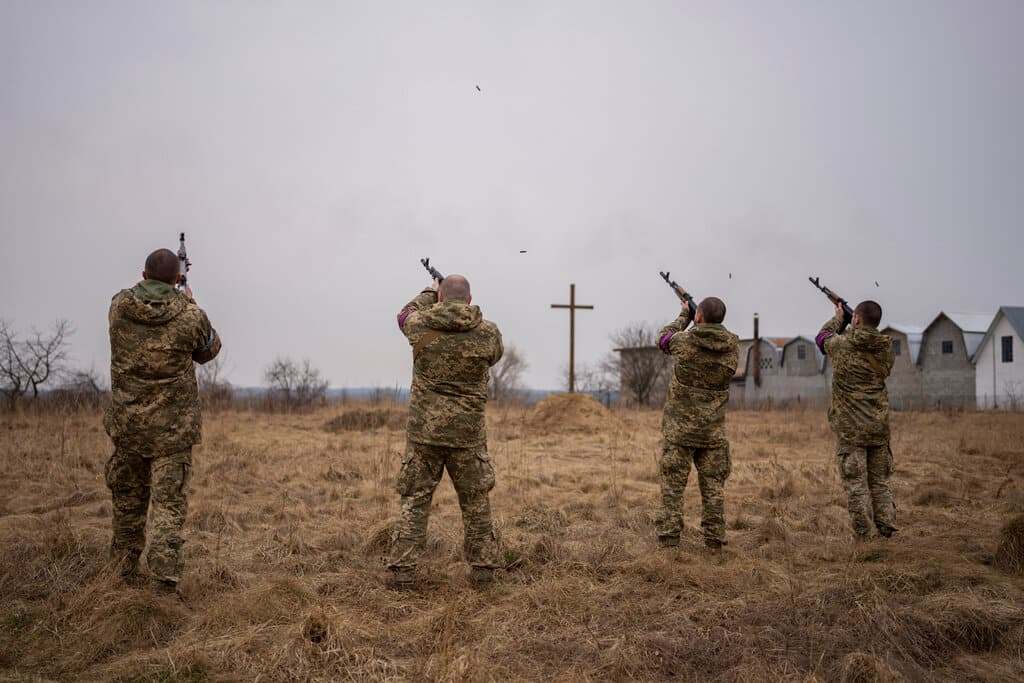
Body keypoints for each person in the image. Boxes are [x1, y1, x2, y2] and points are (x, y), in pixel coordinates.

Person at [103, 248, 221, 592]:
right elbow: (208, 350)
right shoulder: (189, 316)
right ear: (175, 279)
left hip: (128, 428)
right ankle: (163, 585)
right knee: (168, 507)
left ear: (142, 276)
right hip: (172, 432)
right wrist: (191, 301)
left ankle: (121, 575)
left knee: (127, 503)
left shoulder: (118, 308)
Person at [388, 274, 503, 588]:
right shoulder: (488, 332)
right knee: (476, 503)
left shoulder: (420, 325)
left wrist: (429, 290)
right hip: (467, 436)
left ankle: (402, 575)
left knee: (414, 501)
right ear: (469, 298)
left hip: (424, 434)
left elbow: (403, 315)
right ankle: (483, 574)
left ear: (440, 297)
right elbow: (494, 355)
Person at [655, 296, 739, 560]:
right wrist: (700, 316)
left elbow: (664, 338)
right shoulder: (733, 347)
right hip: (713, 433)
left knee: (672, 489)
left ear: (698, 317)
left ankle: (670, 545)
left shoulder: (685, 341)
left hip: (680, 433)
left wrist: (684, 316)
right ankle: (714, 544)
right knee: (713, 490)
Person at [816, 300, 897, 540]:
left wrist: (839, 319)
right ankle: (886, 527)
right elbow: (867, 343)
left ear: (857, 319)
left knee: (856, 485)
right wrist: (852, 322)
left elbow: (822, 338)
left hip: (852, 431)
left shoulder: (842, 345)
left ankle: (864, 536)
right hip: (879, 428)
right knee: (879, 483)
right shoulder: (886, 348)